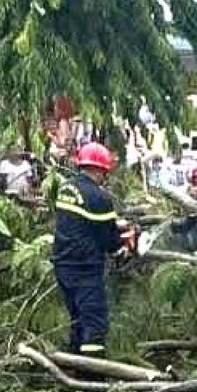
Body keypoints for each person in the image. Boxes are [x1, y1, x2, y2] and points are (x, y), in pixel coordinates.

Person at [53, 142, 127, 356]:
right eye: (105, 172)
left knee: (77, 318)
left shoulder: (67, 187)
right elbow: (108, 238)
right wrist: (120, 250)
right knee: (94, 321)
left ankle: (74, 363)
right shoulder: (99, 197)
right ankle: (93, 375)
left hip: (63, 263)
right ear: (99, 169)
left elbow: (82, 222)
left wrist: (115, 224)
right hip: (85, 268)